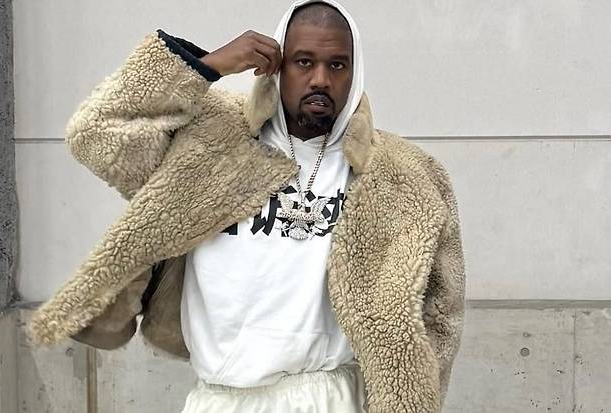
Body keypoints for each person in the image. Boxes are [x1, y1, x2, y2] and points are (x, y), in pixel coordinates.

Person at [29, 0, 466, 412]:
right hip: (220, 398)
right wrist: (209, 65)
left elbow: (441, 314)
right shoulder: (211, 140)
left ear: (356, 72)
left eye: (337, 65)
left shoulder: (401, 175)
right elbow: (95, 131)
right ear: (278, 66)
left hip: (329, 397)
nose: (320, 79)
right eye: (304, 61)